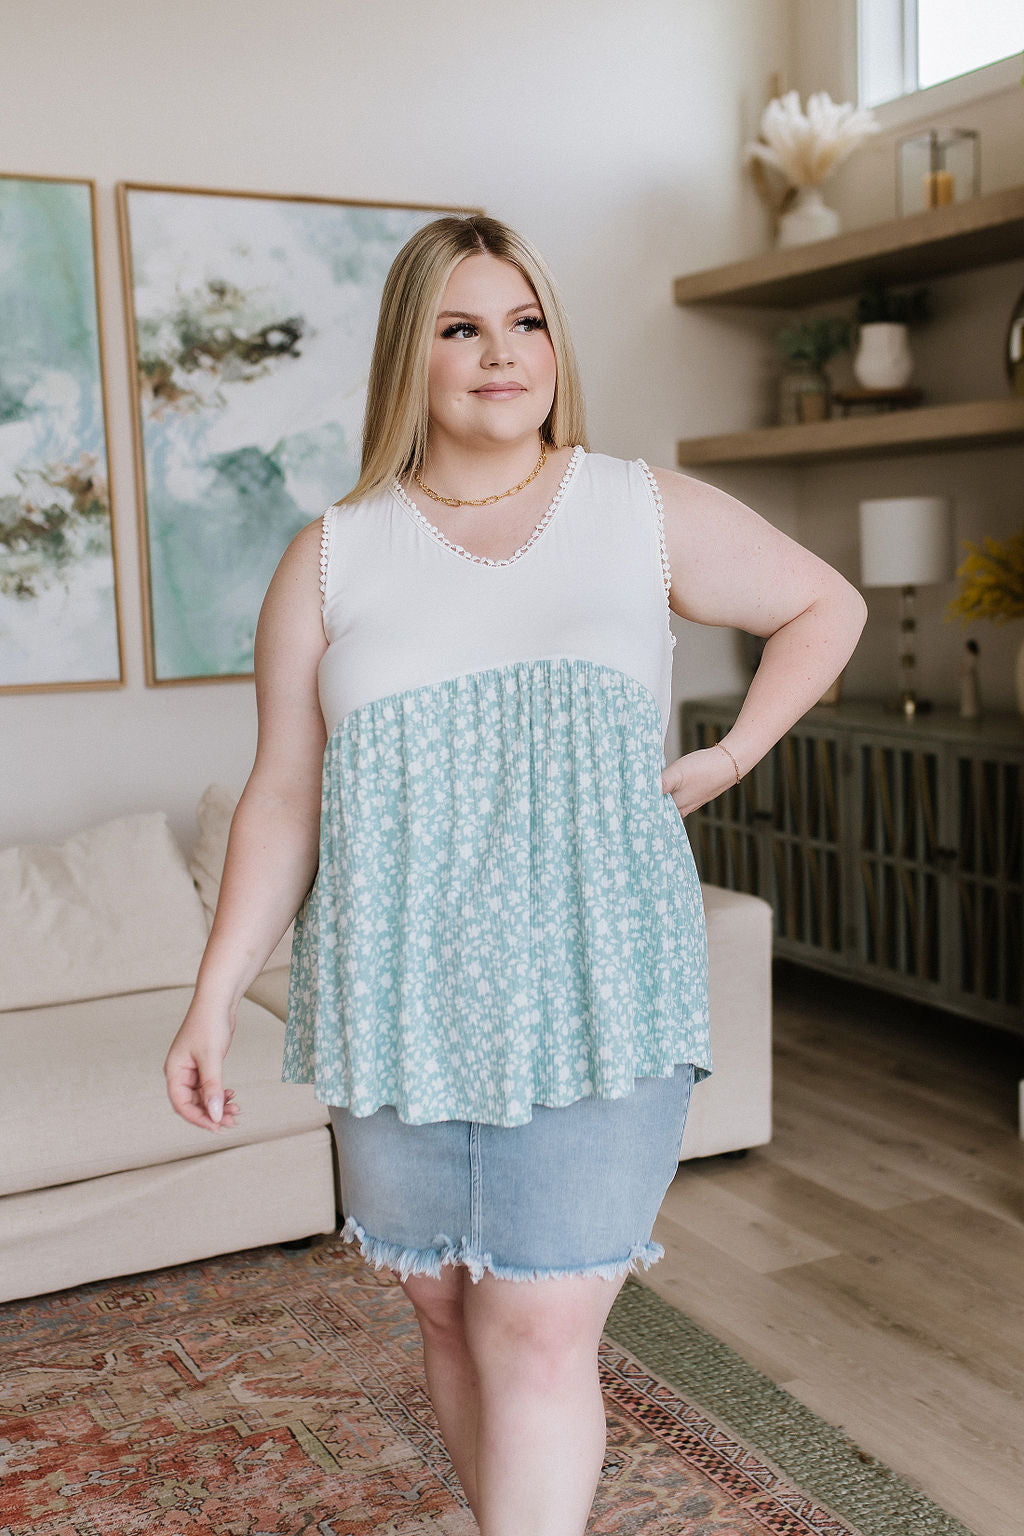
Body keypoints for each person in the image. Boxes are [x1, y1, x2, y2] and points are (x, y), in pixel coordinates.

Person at [164, 213, 867, 1536]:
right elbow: (284, 796)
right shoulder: (333, 554)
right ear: (410, 356)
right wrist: (211, 998)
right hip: (398, 997)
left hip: (598, 986)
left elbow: (827, 604)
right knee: (448, 1306)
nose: (504, 354)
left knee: (538, 1326)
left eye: (526, 321)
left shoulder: (634, 509)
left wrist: (731, 756)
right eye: (463, 327)